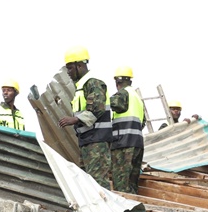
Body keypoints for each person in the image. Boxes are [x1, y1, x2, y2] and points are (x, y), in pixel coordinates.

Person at [57, 46, 112, 188]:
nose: (68, 72)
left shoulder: (93, 83)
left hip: (97, 141)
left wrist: (75, 119)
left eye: (70, 68)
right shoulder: (81, 87)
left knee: (98, 182)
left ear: (80, 66)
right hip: (87, 141)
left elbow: (97, 108)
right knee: (88, 183)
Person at [110, 66, 145, 195]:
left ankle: (123, 207)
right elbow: (143, 122)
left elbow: (107, 104)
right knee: (132, 182)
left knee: (121, 183)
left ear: (118, 81)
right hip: (137, 144)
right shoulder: (137, 98)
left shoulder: (123, 94)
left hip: (123, 144)